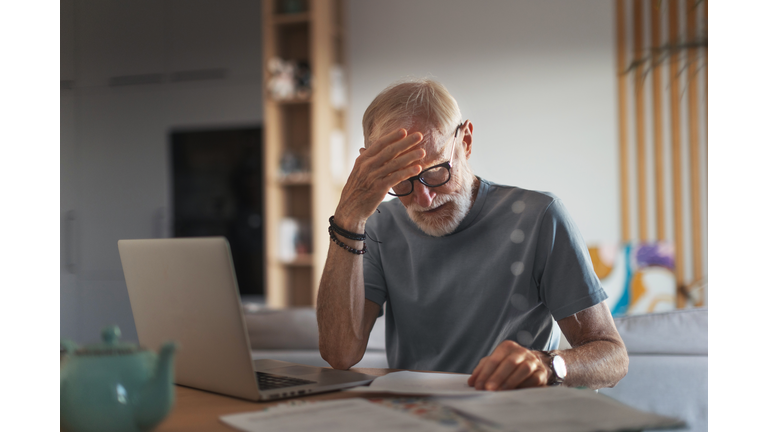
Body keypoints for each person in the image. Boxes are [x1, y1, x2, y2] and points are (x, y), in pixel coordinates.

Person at [317, 79, 628, 390]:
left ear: (465, 140)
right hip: (421, 416)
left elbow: (613, 357)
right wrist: (348, 216)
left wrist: (549, 364)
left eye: (437, 171)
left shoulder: (540, 217)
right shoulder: (376, 227)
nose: (424, 199)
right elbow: (340, 355)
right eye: (401, 181)